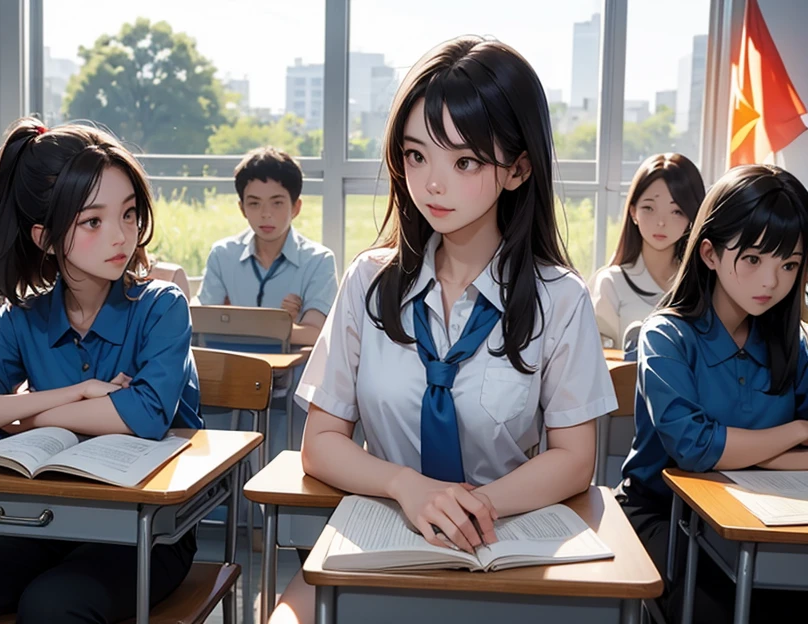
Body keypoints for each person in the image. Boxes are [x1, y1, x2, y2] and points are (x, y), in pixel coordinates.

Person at [270, 36, 617, 622]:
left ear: (517, 169)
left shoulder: (560, 298)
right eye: (415, 156)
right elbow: (321, 444)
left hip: (504, 541)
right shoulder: (370, 282)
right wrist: (409, 487)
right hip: (382, 529)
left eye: (463, 162)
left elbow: (574, 458)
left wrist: (472, 505)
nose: (432, 183)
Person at [0, 119, 202, 624]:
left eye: (129, 214)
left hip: (150, 530)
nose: (120, 235)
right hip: (47, 520)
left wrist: (36, 417)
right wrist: (83, 393)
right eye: (93, 221)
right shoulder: (23, 316)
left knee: (53, 605)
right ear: (44, 237)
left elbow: (146, 415)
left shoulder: (162, 305)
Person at [619, 164, 808, 623]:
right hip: (663, 515)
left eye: (789, 264)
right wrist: (795, 430)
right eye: (753, 259)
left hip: (767, 516)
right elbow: (694, 447)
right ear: (709, 253)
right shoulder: (665, 335)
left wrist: (742, 450)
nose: (771, 282)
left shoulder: (793, 341)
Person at [196, 147, 337, 345]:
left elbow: (315, 334)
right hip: (232, 371)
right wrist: (282, 324)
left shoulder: (318, 260)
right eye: (254, 203)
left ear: (296, 207)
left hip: (293, 374)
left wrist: (232, 323)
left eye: (277, 203)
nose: (265, 213)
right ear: (242, 208)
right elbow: (202, 323)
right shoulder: (223, 254)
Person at [589, 153, 705, 350]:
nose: (661, 222)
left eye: (676, 211)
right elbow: (600, 364)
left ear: (692, 217)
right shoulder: (611, 283)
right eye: (649, 208)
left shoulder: (702, 285)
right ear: (633, 212)